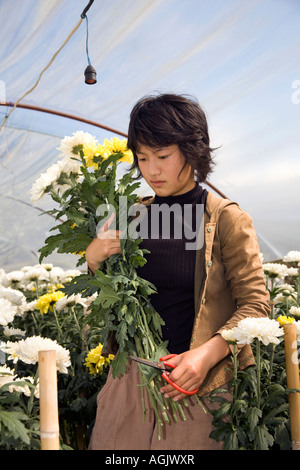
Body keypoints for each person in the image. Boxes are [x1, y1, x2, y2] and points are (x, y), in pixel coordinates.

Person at [86, 93, 270, 450]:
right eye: (142, 158)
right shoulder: (131, 216)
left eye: (163, 156)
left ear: (192, 150)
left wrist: (206, 354)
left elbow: (256, 306)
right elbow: (113, 296)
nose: (151, 170)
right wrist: (94, 258)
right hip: (130, 380)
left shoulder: (225, 219)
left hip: (193, 387)